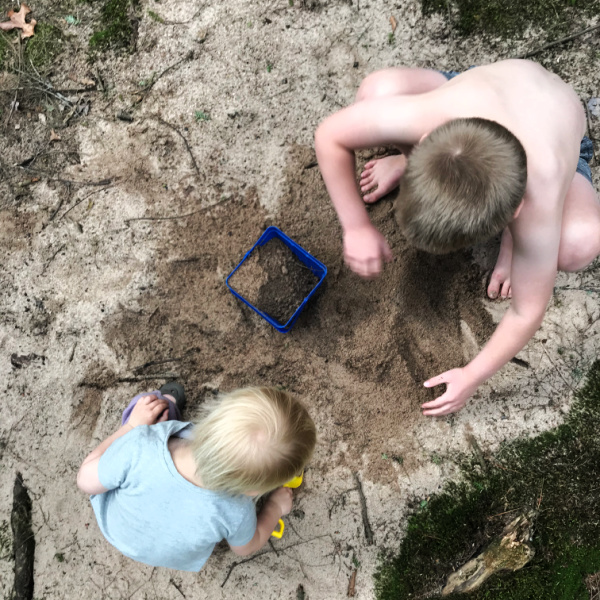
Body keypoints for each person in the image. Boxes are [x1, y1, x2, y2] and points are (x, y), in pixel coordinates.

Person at [314, 60, 599, 416]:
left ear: (515, 212)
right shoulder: (430, 114)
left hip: (559, 132)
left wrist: (472, 375)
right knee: (375, 90)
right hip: (484, 91)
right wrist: (356, 226)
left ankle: (513, 243)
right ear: (426, 141)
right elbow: (329, 136)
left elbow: (527, 311)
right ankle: (404, 162)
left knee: (578, 246)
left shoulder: (542, 194)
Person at [77, 384, 316, 571]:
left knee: (151, 403)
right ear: (254, 491)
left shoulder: (141, 444)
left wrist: (132, 427)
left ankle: (168, 404)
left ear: (212, 415)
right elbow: (246, 547)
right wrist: (274, 508)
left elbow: (85, 480)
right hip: (168, 555)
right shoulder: (236, 510)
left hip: (117, 530)